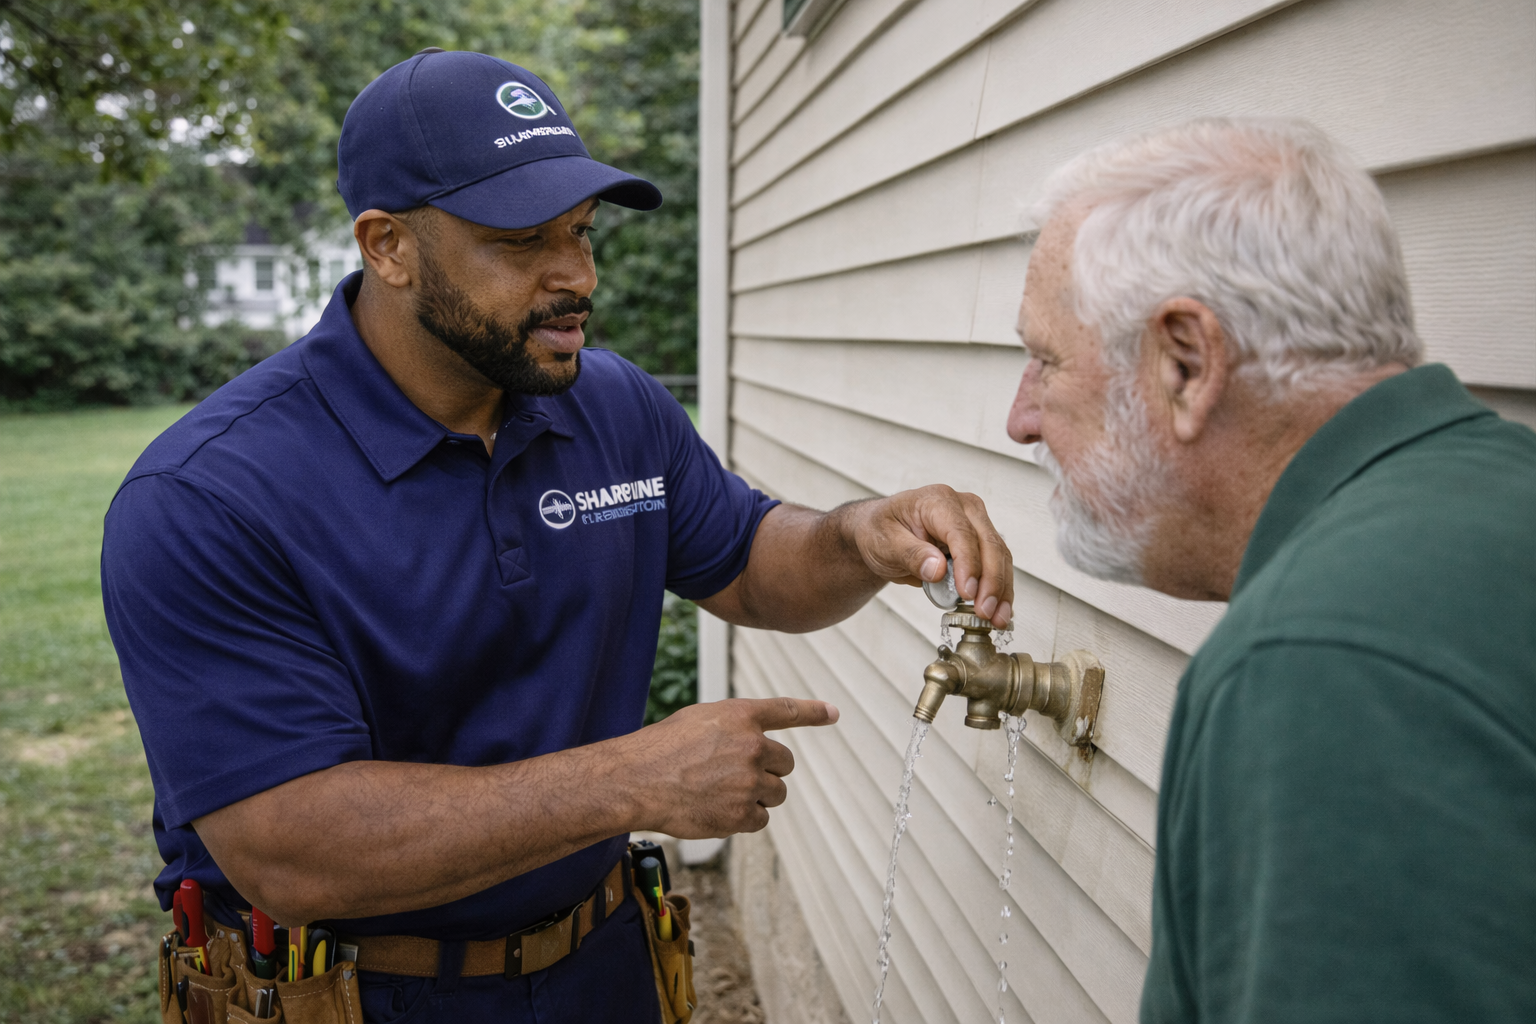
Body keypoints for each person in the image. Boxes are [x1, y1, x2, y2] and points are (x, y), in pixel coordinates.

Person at [101, 50, 1015, 1022]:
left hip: (605, 960)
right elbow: (293, 847)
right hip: (346, 990)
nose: (576, 274)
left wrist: (862, 535)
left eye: (581, 231)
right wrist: (633, 779)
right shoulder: (207, 496)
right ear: (388, 247)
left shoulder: (611, 405)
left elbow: (747, 560)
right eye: (523, 238)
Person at [1005, 117, 1535, 1021]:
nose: (1020, 418)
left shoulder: (1321, 664)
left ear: (1186, 363)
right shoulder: (1493, 488)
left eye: (1046, 360)